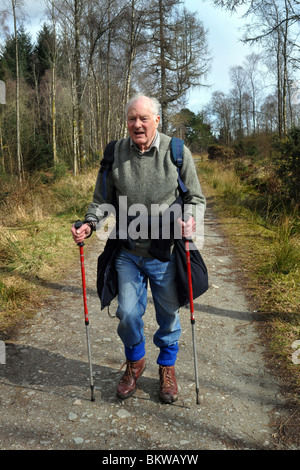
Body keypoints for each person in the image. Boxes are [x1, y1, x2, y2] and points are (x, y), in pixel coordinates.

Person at [71, 93, 206, 404]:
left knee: (168, 316)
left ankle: (167, 368)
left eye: (144, 118)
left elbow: (195, 200)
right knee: (128, 314)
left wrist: (189, 219)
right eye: (132, 118)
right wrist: (89, 224)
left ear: (157, 120)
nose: (137, 124)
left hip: (166, 253)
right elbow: (102, 200)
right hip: (128, 252)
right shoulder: (115, 153)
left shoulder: (176, 152)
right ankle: (135, 361)